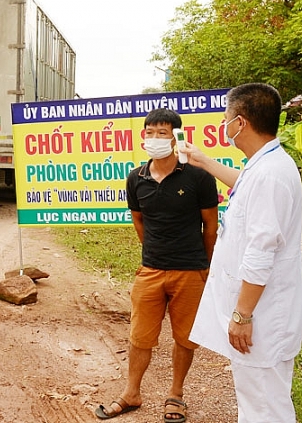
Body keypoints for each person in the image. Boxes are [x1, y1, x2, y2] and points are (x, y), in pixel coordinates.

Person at [183, 83, 302, 422]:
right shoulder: (264, 165)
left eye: (225, 119)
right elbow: (244, 185)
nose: (224, 126)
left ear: (241, 122)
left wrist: (242, 315)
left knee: (266, 408)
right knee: (256, 403)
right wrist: (204, 161)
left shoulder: (270, 174)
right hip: (262, 314)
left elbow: (261, 252)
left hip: (263, 318)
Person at [96, 108, 218, 422]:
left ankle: (176, 395)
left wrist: (204, 265)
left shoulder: (198, 177)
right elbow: (139, 221)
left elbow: (211, 226)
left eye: (162, 133)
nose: (154, 138)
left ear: (176, 137)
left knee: (184, 337)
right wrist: (153, 252)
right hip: (150, 270)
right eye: (149, 132)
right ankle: (131, 393)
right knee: (140, 336)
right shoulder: (135, 178)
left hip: (190, 270)